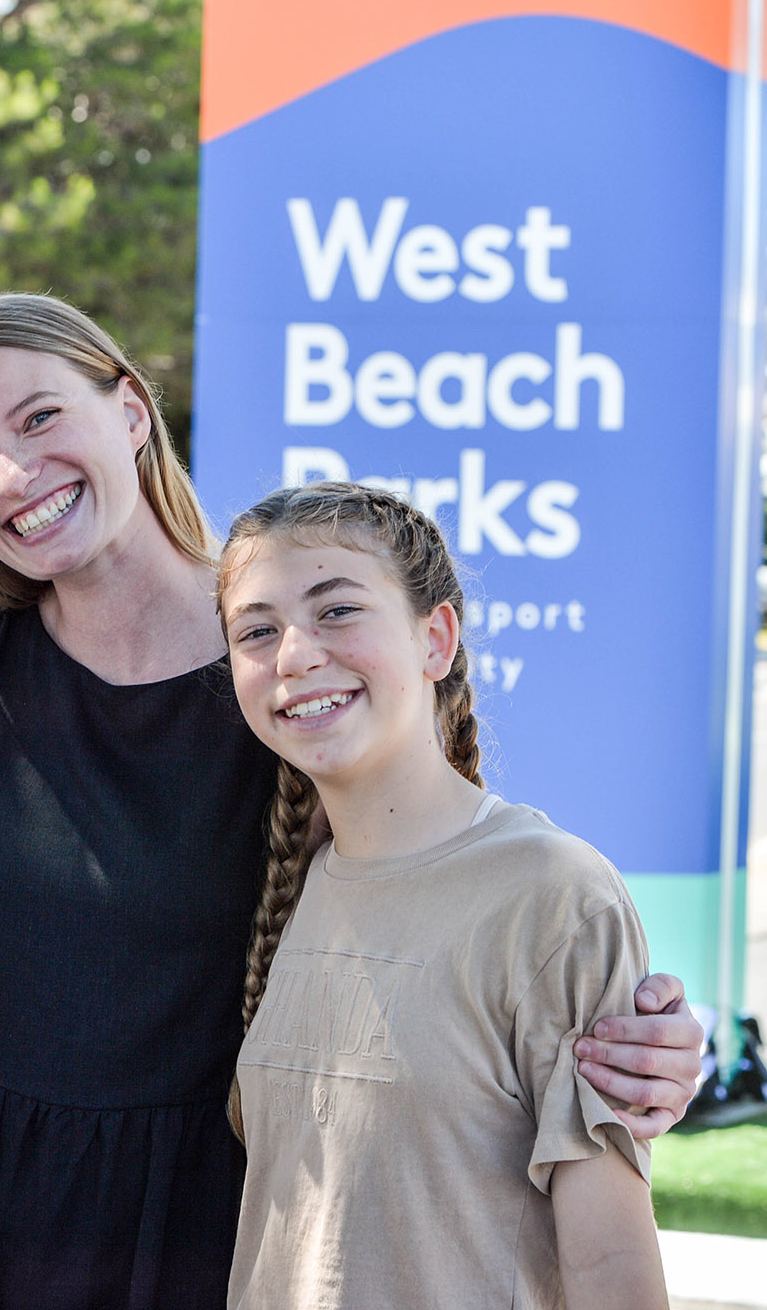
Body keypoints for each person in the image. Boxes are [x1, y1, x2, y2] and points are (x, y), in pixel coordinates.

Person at [0, 292, 701, 1310]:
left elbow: (435, 883)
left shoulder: (279, 667)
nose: (10, 473)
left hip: (202, 1213)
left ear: (131, 411)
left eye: (40, 416)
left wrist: (633, 1034)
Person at [216, 481, 666, 1310]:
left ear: (436, 639)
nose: (293, 654)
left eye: (337, 610)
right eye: (256, 630)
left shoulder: (552, 893)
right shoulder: (285, 885)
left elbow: (611, 1267)